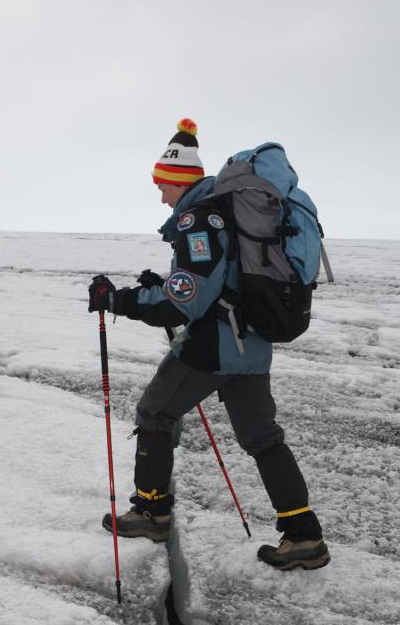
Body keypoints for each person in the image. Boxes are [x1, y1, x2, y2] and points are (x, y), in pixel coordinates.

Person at [88, 119, 329, 571]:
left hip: (215, 347)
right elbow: (215, 280)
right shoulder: (225, 215)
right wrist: (162, 283)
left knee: (154, 413)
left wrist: (119, 299)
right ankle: (304, 535)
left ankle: (152, 511)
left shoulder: (199, 219)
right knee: (263, 439)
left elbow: (187, 301)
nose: (160, 194)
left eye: (162, 185)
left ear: (179, 181)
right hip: (251, 348)